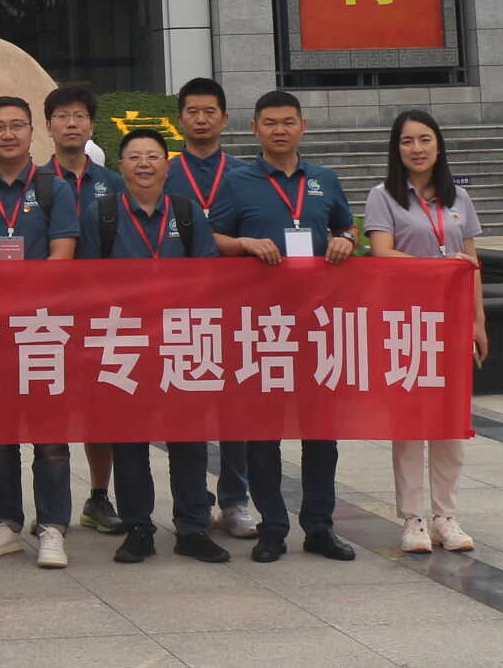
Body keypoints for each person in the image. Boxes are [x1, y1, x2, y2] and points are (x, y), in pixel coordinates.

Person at [210, 90, 357, 564]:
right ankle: (273, 527)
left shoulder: (324, 180)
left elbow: (347, 226)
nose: (279, 130)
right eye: (270, 122)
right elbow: (211, 238)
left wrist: (346, 240)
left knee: (321, 432)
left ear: (303, 126)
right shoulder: (237, 182)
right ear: (255, 128)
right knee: (263, 433)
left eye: (288, 122)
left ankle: (319, 527)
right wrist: (245, 244)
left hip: (316, 325)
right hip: (261, 327)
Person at [96, 129, 229, 567]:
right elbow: (84, 280)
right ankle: (138, 528)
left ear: (166, 167)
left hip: (179, 338)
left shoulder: (186, 213)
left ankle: (192, 528)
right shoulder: (103, 213)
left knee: (188, 440)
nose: (144, 164)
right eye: (134, 157)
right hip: (124, 340)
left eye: (153, 156)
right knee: (129, 441)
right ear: (120, 167)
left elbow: (208, 273)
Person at [0, 94, 79, 569]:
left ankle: (52, 527)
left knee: (49, 436)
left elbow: (62, 257)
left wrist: (18, 296)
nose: (7, 134)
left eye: (16, 126)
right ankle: (5, 524)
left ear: (32, 132)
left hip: (42, 328)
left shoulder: (54, 189)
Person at [364, 109, 488, 556]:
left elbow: (471, 264)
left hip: (451, 321)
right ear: (395, 149)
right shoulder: (383, 196)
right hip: (406, 322)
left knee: (450, 422)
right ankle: (413, 518)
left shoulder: (459, 199)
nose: (416, 149)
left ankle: (445, 516)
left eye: (424, 139)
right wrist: (438, 265)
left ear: (438, 145)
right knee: (409, 422)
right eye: (407, 141)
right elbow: (381, 253)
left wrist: (478, 321)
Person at [166, 77, 256, 540]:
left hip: (233, 306)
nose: (201, 120)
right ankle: (193, 500)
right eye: (192, 112)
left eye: (209, 112)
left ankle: (235, 499)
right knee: (185, 406)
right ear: (179, 119)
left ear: (224, 118)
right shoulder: (163, 172)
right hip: (177, 308)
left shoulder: (247, 175)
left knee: (235, 406)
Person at [42, 84, 125, 535]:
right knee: (49, 411)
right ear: (48, 126)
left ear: (91, 126)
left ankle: (98, 496)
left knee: (101, 410)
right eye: (62, 116)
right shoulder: (36, 182)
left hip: (102, 313)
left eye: (79, 116)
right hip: (48, 316)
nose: (71, 124)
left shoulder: (114, 183)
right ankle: (49, 505)